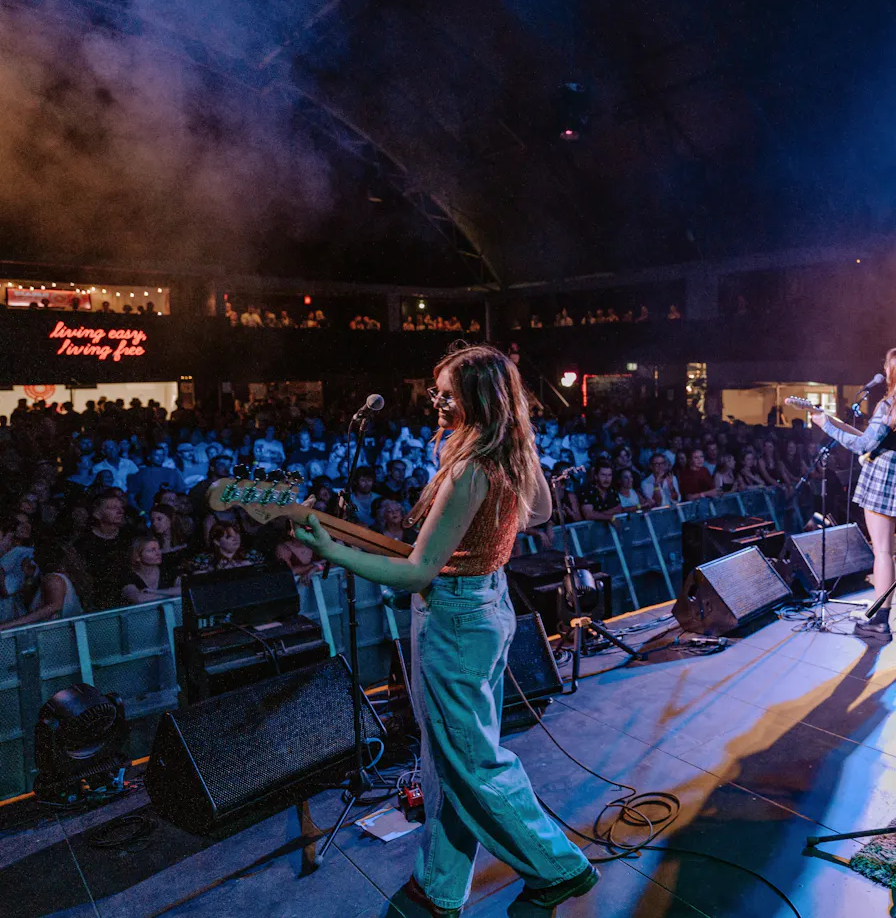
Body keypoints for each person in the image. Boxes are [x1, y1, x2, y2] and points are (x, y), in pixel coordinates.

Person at [292, 344, 598, 916]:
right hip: (487, 602)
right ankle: (438, 885)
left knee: (472, 762)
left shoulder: (467, 469)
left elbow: (415, 572)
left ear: (477, 401)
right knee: (446, 760)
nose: (436, 402)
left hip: (455, 616)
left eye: (447, 394)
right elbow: (538, 513)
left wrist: (333, 549)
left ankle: (558, 867)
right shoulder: (507, 451)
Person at [809, 347, 896, 644]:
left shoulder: (888, 405)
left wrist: (825, 424)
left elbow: (863, 446)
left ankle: (880, 621)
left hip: (883, 481)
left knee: (883, 551)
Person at [0, 541, 84, 629]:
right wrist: (28, 576)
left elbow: (52, 607)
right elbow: (30, 603)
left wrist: (8, 625)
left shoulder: (53, 579)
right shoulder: (46, 578)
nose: (33, 557)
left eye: (36, 554)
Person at [74, 489, 133, 611]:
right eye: (112, 508)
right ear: (97, 514)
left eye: (121, 507)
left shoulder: (129, 537)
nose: (120, 511)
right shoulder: (83, 543)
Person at [182, 521, 264, 576]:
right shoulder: (203, 560)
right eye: (229, 537)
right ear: (217, 541)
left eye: (237, 534)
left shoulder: (252, 554)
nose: (236, 539)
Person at [121, 536, 181, 604]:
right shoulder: (129, 576)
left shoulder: (167, 568)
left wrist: (155, 592)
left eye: (159, 549)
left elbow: (184, 589)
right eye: (152, 550)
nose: (158, 553)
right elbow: (138, 599)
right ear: (137, 557)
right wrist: (173, 594)